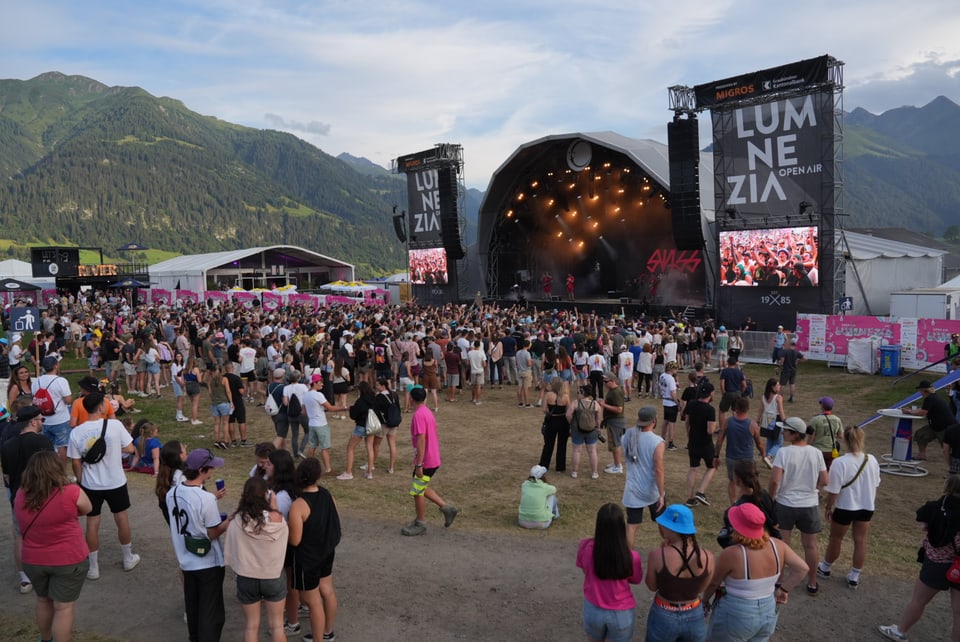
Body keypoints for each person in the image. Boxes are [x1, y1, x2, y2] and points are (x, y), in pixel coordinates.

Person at [14, 450, 92, 642]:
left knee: (43, 600)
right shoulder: (71, 492)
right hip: (68, 559)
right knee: (63, 607)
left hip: (33, 559)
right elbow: (88, 508)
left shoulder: (21, 494)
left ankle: (45, 639)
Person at [704, 503, 809, 641]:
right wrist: (784, 589)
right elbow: (803, 568)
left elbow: (714, 583)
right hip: (768, 610)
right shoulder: (778, 545)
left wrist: (705, 601)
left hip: (737, 614)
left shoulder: (732, 554)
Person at [67, 392, 141, 581]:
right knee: (121, 518)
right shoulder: (115, 425)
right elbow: (131, 448)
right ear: (101, 407)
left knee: (92, 523)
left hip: (91, 483)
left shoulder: (76, 432)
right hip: (115, 480)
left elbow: (75, 462)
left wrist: (81, 480)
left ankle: (93, 567)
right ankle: (127, 558)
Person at [879, 475, 960, 641]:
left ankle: (900, 631)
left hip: (937, 561)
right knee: (959, 613)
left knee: (919, 600)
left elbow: (922, 524)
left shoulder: (935, 507)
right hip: (958, 564)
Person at [167, 448, 230, 642]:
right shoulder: (206, 498)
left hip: (186, 560)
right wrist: (230, 521)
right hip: (207, 562)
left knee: (193, 608)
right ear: (202, 470)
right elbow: (212, 532)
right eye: (210, 468)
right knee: (211, 615)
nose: (213, 471)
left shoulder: (173, 493)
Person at [224, 476, 289, 642]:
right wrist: (274, 507)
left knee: (251, 626)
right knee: (277, 626)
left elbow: (231, 549)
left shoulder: (237, 520)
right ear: (266, 495)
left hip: (247, 576)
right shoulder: (278, 520)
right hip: (273, 576)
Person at [769, 416, 828, 595]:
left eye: (785, 430)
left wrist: (772, 498)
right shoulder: (816, 453)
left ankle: (779, 579)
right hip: (809, 504)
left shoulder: (784, 453)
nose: (783, 432)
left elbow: (774, 481)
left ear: (794, 434)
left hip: (785, 503)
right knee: (810, 545)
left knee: (783, 543)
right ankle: (812, 582)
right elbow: (825, 480)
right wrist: (813, 488)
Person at [818, 425, 881, 590]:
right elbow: (876, 483)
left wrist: (828, 507)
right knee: (860, 540)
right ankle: (855, 574)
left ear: (845, 440)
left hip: (846, 506)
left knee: (836, 539)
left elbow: (834, 490)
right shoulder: (872, 459)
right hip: (866, 506)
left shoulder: (840, 462)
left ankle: (825, 567)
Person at [1, 405, 53, 594]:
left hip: (19, 497)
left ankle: (24, 578)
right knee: (48, 534)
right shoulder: (43, 442)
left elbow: (6, 477)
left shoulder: (7, 446)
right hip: (43, 495)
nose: (42, 423)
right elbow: (52, 472)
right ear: (33, 422)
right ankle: (49, 570)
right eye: (41, 419)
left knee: (20, 536)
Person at [289, 457, 341, 642]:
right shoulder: (328, 495)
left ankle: (318, 638)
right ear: (318, 476)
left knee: (313, 602)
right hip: (326, 552)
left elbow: (295, 541)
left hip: (307, 559)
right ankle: (328, 632)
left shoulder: (299, 505)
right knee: (327, 590)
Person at [644, 504, 714, 642]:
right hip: (694, 612)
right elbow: (702, 588)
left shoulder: (658, 555)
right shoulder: (708, 556)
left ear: (670, 528)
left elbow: (652, 586)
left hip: (664, 612)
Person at [576, 503, 643, 642]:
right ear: (621, 526)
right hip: (621, 613)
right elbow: (636, 579)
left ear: (598, 525)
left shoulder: (585, 546)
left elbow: (585, 570)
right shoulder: (631, 556)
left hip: (593, 609)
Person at [401, 386, 459, 536]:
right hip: (433, 457)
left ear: (411, 399)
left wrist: (419, 463)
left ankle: (421, 523)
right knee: (420, 486)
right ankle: (446, 508)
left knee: (417, 491)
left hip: (426, 460)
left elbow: (421, 439)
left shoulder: (418, 415)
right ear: (425, 398)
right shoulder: (427, 412)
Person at [622, 406, 666, 545]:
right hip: (651, 490)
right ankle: (670, 552)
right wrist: (662, 494)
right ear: (654, 420)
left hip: (632, 489)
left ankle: (627, 558)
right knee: (663, 522)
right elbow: (658, 469)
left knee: (632, 525)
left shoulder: (628, 436)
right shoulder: (657, 442)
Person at [718, 460, 781, 548]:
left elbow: (729, 539)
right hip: (769, 545)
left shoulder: (736, 510)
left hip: (748, 549)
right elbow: (775, 523)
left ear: (737, 479)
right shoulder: (764, 495)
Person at [32, 355, 73, 465]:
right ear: (56, 366)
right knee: (62, 447)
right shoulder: (61, 381)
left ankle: (49, 470)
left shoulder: (36, 381)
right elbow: (68, 400)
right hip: (60, 418)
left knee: (46, 448)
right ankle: (61, 472)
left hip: (43, 419)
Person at [684, 380, 717, 508]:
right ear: (710, 394)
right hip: (706, 443)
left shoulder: (691, 404)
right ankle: (701, 491)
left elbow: (687, 422)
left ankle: (690, 497)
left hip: (693, 441)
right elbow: (710, 430)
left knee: (693, 468)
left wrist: (689, 435)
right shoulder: (710, 410)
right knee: (712, 466)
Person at [904, 379, 957, 460]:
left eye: (920, 390)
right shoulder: (932, 397)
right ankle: (921, 455)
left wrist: (909, 411)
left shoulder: (930, 399)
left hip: (945, 428)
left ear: (924, 390)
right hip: (935, 427)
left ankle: (954, 466)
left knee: (948, 448)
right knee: (920, 434)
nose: (920, 392)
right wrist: (911, 410)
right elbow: (923, 409)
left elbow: (923, 412)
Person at [339, 380, 378, 480]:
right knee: (370, 448)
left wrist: (351, 409)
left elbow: (354, 415)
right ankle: (369, 472)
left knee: (350, 447)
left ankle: (348, 472)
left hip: (361, 426)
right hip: (371, 426)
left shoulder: (360, 401)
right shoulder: (374, 399)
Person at [568, 385, 602, 480]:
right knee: (592, 451)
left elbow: (568, 415)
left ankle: (574, 471)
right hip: (592, 430)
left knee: (576, 451)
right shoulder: (595, 404)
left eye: (578, 392)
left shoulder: (575, 403)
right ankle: (594, 472)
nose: (577, 394)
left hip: (577, 430)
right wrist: (598, 428)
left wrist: (571, 423)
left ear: (583, 393)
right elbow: (599, 419)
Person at [539, 378, 570, 473]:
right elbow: (568, 411)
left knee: (548, 444)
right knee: (562, 444)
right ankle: (560, 467)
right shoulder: (566, 396)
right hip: (563, 421)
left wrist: (549, 414)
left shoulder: (548, 395)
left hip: (551, 421)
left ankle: (544, 464)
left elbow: (544, 409)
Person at [599, 372, 626, 474]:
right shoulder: (612, 390)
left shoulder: (615, 392)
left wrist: (603, 405)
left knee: (615, 443)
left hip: (616, 420)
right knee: (613, 443)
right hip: (612, 420)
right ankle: (615, 462)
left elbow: (619, 409)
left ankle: (618, 466)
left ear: (612, 381)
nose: (604, 384)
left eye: (606, 381)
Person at [518, 465, 559, 529]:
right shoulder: (544, 487)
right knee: (551, 496)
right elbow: (554, 489)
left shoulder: (525, 485)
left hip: (522, 522)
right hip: (541, 523)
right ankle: (556, 515)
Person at [809, 396, 843, 469]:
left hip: (818, 450)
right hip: (832, 451)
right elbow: (840, 435)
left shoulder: (815, 419)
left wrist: (807, 447)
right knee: (829, 471)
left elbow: (811, 437)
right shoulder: (837, 419)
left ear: (822, 406)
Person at [758, 378, 786, 468]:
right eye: (777, 385)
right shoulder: (778, 397)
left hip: (766, 420)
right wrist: (785, 422)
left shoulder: (764, 397)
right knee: (779, 443)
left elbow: (761, 409)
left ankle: (767, 458)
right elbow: (780, 411)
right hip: (776, 420)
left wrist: (757, 420)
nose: (779, 386)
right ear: (772, 387)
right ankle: (769, 456)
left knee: (770, 440)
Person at [658, 361, 680, 451]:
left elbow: (660, 386)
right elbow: (673, 393)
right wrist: (678, 403)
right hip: (671, 403)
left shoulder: (662, 375)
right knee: (672, 423)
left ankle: (662, 438)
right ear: (671, 369)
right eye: (675, 369)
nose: (676, 370)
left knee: (665, 421)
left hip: (665, 401)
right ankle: (670, 443)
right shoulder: (671, 379)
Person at [777, 338, 805, 403]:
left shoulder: (785, 351)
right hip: (793, 370)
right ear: (795, 344)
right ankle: (792, 397)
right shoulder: (797, 352)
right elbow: (805, 359)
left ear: (790, 343)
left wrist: (778, 367)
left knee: (782, 384)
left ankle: (780, 398)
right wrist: (798, 360)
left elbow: (782, 361)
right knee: (792, 384)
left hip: (786, 370)